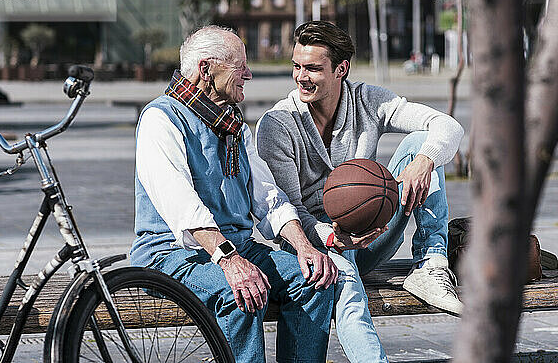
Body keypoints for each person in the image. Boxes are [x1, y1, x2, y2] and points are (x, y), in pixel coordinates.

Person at [256, 21, 464, 362]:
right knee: (350, 296)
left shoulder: (368, 100)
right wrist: (330, 238)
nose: (301, 77)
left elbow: (448, 125)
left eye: (312, 68)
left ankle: (430, 264)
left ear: (341, 69)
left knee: (419, 143)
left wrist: (424, 160)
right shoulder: (278, 125)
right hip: (320, 244)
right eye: (297, 66)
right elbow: (287, 210)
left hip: (375, 231)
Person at [130, 25, 338, 363]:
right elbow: (183, 206)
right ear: (206, 69)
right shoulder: (161, 118)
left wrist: (304, 247)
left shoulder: (234, 125)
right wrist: (229, 260)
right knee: (238, 292)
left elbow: (269, 197)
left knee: (315, 279)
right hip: (169, 254)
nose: (249, 73)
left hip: (235, 248)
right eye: (239, 66)